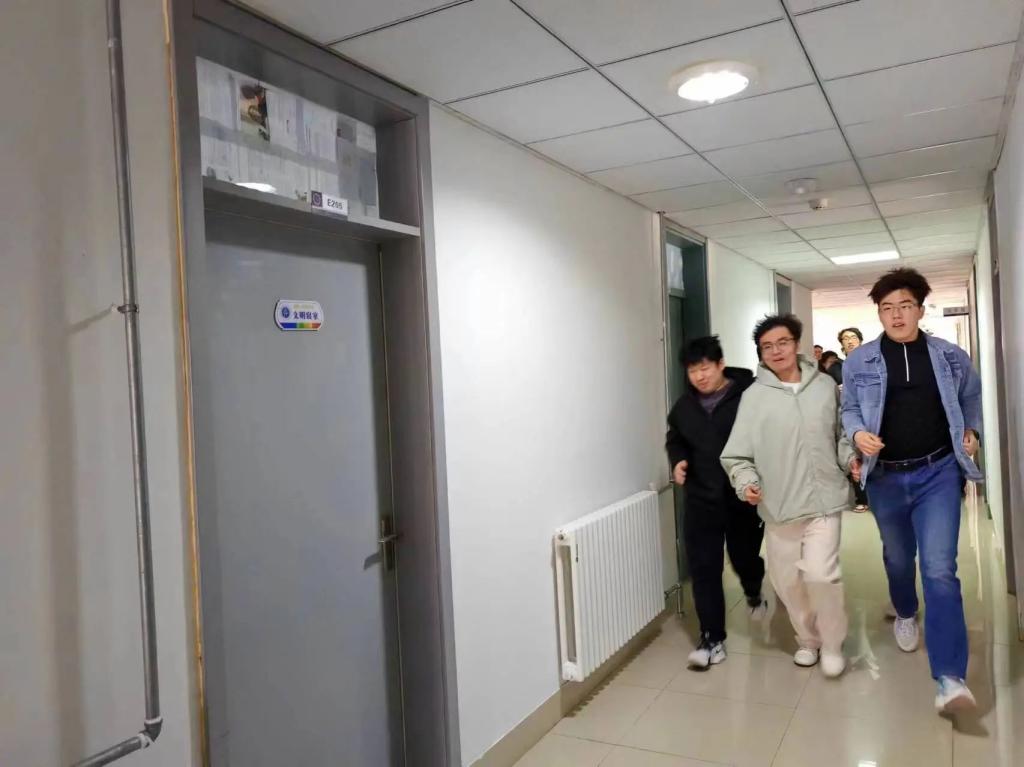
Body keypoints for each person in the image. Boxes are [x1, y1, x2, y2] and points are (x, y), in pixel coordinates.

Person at [842, 268, 983, 714]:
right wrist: (857, 433)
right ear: (879, 314)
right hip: (885, 477)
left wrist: (973, 430)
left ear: (920, 310)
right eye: (887, 308)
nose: (896, 315)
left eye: (905, 306)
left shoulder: (949, 356)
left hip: (937, 473)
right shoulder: (860, 361)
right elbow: (848, 409)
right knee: (899, 558)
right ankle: (905, 611)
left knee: (940, 568)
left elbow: (971, 396)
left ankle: (950, 677)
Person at [721, 315, 860, 678]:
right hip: (779, 505)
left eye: (782, 342)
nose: (776, 351)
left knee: (821, 575)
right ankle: (808, 639)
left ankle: (832, 644)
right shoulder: (753, 398)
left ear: (796, 344)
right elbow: (737, 455)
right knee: (787, 581)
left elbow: (841, 434)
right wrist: (746, 483)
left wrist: (850, 459)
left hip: (824, 499)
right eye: (767, 347)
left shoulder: (824, 386)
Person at [666, 336, 766, 670]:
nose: (699, 376)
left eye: (705, 368)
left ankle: (753, 589)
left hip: (741, 498)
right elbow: (675, 438)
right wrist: (678, 459)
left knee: (744, 557)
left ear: (721, 364)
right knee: (704, 569)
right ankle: (712, 638)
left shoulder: (749, 395)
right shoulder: (684, 407)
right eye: (692, 370)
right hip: (700, 501)